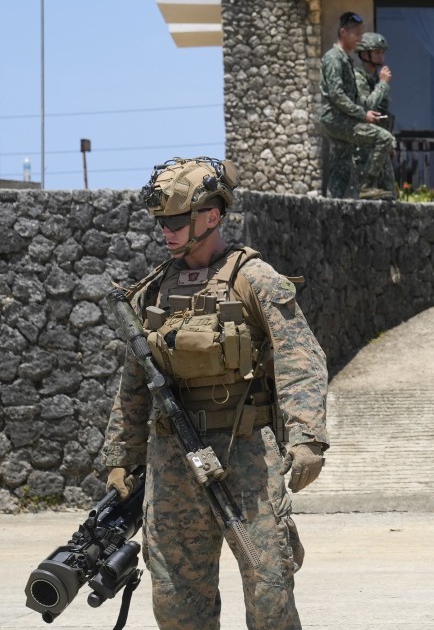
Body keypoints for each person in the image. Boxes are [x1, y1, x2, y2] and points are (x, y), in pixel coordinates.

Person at [102, 157, 329, 629]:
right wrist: (122, 456)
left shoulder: (255, 279)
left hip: (245, 453)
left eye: (177, 220)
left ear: (211, 215)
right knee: (177, 601)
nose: (167, 231)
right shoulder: (153, 292)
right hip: (173, 461)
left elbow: (300, 358)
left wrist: (306, 436)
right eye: (161, 222)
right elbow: (134, 380)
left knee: (270, 589)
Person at [319, 12, 395, 198]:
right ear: (343, 32)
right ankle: (367, 185)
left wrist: (366, 112)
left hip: (341, 119)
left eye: (361, 35)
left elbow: (355, 99)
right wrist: (363, 114)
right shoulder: (334, 58)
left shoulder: (344, 59)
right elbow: (337, 95)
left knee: (341, 169)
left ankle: (330, 210)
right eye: (356, 34)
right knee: (383, 138)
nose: (359, 39)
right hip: (336, 119)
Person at [353, 32, 397, 199]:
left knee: (389, 194)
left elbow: (384, 114)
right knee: (365, 195)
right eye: (377, 52)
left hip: (381, 144)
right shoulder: (358, 78)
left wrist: (391, 142)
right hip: (365, 145)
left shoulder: (375, 80)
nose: (381, 56)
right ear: (365, 54)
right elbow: (367, 106)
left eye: (382, 52)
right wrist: (383, 84)